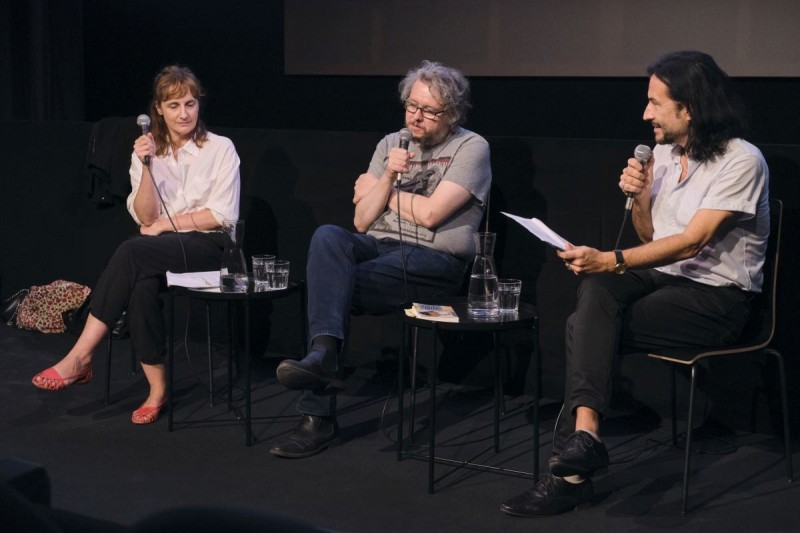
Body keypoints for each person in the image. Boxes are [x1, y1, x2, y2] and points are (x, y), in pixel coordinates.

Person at [501, 50, 769, 517]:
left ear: (689, 107)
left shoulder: (742, 160)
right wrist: (642, 195)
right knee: (597, 294)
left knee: (584, 328)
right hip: (666, 282)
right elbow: (652, 238)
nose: (645, 114)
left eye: (655, 103)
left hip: (719, 301)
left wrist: (610, 258)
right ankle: (584, 439)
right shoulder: (663, 155)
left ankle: (569, 476)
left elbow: (691, 243)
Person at [270, 60, 492, 458]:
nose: (416, 117)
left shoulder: (471, 147)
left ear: (452, 113)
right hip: (379, 247)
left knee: (329, 289)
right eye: (411, 106)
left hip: (436, 260)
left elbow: (430, 216)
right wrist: (388, 177)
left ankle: (316, 414)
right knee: (328, 236)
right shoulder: (391, 143)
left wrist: (378, 190)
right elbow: (360, 219)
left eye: (429, 110)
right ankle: (323, 355)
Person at [31, 65, 241, 425]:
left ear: (199, 104)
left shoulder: (220, 148)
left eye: (190, 103)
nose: (184, 113)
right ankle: (157, 390)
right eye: (174, 105)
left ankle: (81, 355)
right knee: (141, 286)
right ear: (158, 109)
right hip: (163, 249)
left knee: (132, 251)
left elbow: (222, 215)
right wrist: (147, 167)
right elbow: (145, 218)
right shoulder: (147, 152)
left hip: (212, 249)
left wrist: (163, 225)